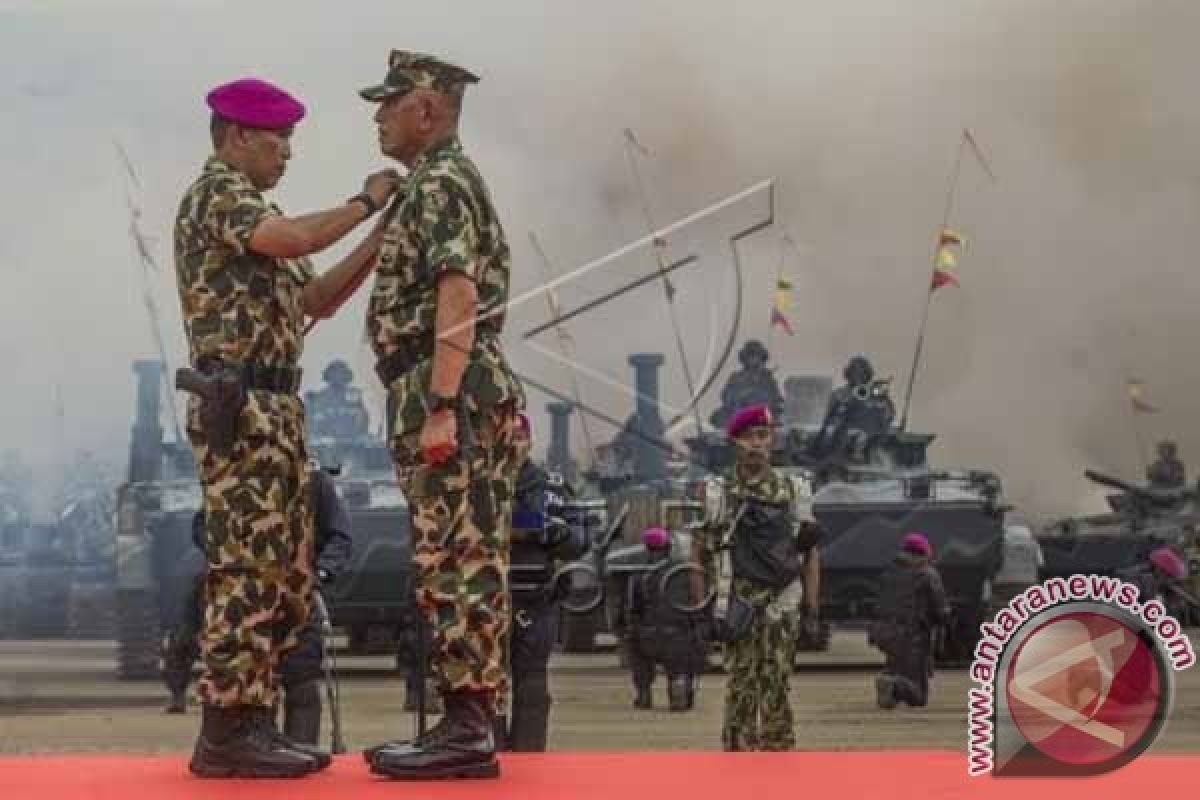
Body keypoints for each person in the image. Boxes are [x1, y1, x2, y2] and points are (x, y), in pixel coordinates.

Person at [174, 76, 399, 778]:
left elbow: (317, 298)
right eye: (279, 140)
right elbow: (295, 235)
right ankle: (225, 731)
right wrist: (366, 201)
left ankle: (252, 719)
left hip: (274, 411)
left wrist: (382, 234)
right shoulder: (219, 196)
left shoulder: (255, 211)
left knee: (279, 574)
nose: (288, 154)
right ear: (238, 137)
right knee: (245, 569)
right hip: (240, 410)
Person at [358, 50, 525, 780]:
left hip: (445, 387)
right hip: (435, 385)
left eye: (389, 103)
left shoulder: (442, 184)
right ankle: (462, 722)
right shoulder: (433, 183)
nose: (378, 115)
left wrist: (442, 406)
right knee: (451, 555)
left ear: (427, 109)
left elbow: (457, 293)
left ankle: (466, 729)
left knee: (458, 557)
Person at [163, 467, 352, 746]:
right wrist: (231, 562)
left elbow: (340, 536)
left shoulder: (313, 479)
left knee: (302, 683)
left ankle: (303, 752)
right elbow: (202, 525)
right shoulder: (235, 473)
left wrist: (322, 572)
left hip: (295, 596)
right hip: (245, 599)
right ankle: (263, 749)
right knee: (253, 682)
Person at [695, 404, 822, 751]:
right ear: (735, 441)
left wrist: (812, 608)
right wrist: (700, 610)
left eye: (763, 435)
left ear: (773, 441)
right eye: (749, 436)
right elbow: (699, 551)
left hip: (782, 601)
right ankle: (737, 757)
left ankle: (778, 755)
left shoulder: (794, 490)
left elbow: (810, 553)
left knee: (777, 680)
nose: (756, 443)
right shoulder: (719, 492)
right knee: (740, 682)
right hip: (737, 599)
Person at [502, 412, 587, 751]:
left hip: (537, 597)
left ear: (530, 441)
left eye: (519, 438)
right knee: (485, 687)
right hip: (487, 597)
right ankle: (487, 753)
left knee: (532, 682)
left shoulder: (552, 486)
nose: (513, 446)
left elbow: (582, 540)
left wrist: (557, 533)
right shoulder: (477, 483)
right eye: (505, 438)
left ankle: (529, 756)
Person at [623, 526, 708, 712]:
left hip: (648, 638)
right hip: (678, 636)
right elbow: (698, 604)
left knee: (633, 643)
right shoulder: (686, 571)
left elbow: (631, 610)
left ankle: (644, 693)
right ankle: (679, 690)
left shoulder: (637, 572)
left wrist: (634, 630)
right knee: (685, 655)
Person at [869, 533, 949, 710]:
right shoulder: (928, 574)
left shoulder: (889, 572)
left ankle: (890, 687)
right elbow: (940, 608)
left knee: (897, 666)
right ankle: (894, 686)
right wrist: (944, 623)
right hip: (912, 636)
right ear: (923, 553)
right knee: (919, 696)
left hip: (885, 633)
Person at [709, 341, 785, 430]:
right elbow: (726, 397)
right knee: (717, 416)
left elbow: (775, 398)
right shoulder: (736, 377)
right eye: (750, 356)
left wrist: (756, 395)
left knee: (780, 417)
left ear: (761, 358)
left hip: (762, 414)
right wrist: (740, 395)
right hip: (740, 412)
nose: (753, 359)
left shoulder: (768, 378)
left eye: (756, 356)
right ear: (745, 358)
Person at [305, 360, 371, 440]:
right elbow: (312, 420)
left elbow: (363, 418)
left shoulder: (354, 395)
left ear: (346, 376)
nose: (337, 376)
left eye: (341, 373)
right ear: (328, 376)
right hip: (324, 440)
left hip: (352, 439)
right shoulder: (320, 396)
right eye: (334, 373)